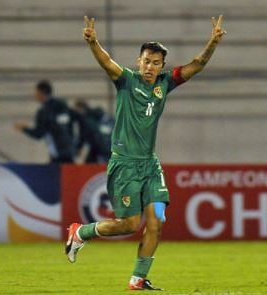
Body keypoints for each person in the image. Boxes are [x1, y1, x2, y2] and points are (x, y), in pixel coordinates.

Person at [65, 15, 226, 290]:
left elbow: (196, 65)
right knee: (129, 225)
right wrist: (94, 43)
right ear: (138, 61)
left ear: (162, 66)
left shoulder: (166, 83)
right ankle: (80, 232)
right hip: (125, 163)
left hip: (150, 165)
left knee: (157, 221)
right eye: (146, 61)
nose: (150, 66)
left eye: (155, 63)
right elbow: (107, 61)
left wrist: (212, 42)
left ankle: (138, 279)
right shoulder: (126, 81)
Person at [14, 79, 84, 163]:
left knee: (54, 174)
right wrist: (79, 145)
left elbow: (38, 134)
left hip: (58, 154)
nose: (34, 96)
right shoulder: (63, 105)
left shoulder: (44, 112)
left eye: (36, 93)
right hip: (69, 152)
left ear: (42, 93)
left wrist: (24, 129)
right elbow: (80, 119)